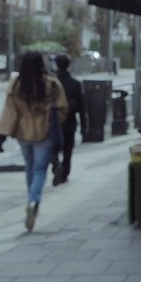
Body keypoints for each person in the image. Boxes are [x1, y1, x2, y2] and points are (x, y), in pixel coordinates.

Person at [0, 51, 68, 232]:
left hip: (23, 131)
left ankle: (31, 199)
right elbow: (62, 109)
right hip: (44, 131)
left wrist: (2, 135)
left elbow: (9, 111)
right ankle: (33, 200)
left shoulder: (16, 84)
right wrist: (52, 122)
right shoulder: (51, 83)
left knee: (29, 167)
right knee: (40, 169)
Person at [52, 54, 85, 185]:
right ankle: (65, 174)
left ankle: (56, 165)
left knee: (51, 147)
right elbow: (82, 106)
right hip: (70, 121)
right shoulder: (75, 84)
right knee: (68, 149)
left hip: (54, 121)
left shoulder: (52, 83)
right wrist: (84, 126)